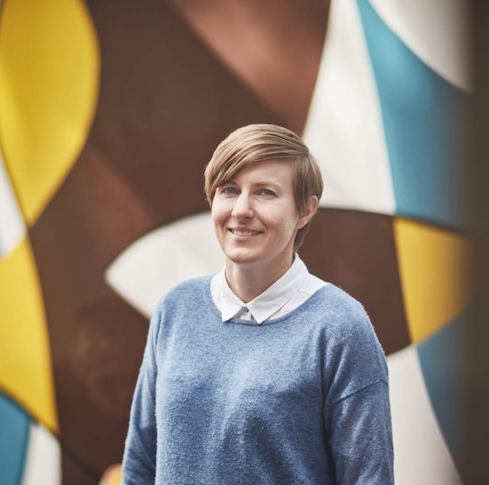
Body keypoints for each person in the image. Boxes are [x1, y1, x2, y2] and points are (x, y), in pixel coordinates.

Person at [121, 124, 394, 484]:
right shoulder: (176, 308)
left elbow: (368, 478)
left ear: (305, 211)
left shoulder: (339, 327)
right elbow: (141, 463)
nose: (241, 210)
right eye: (229, 190)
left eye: (265, 192)